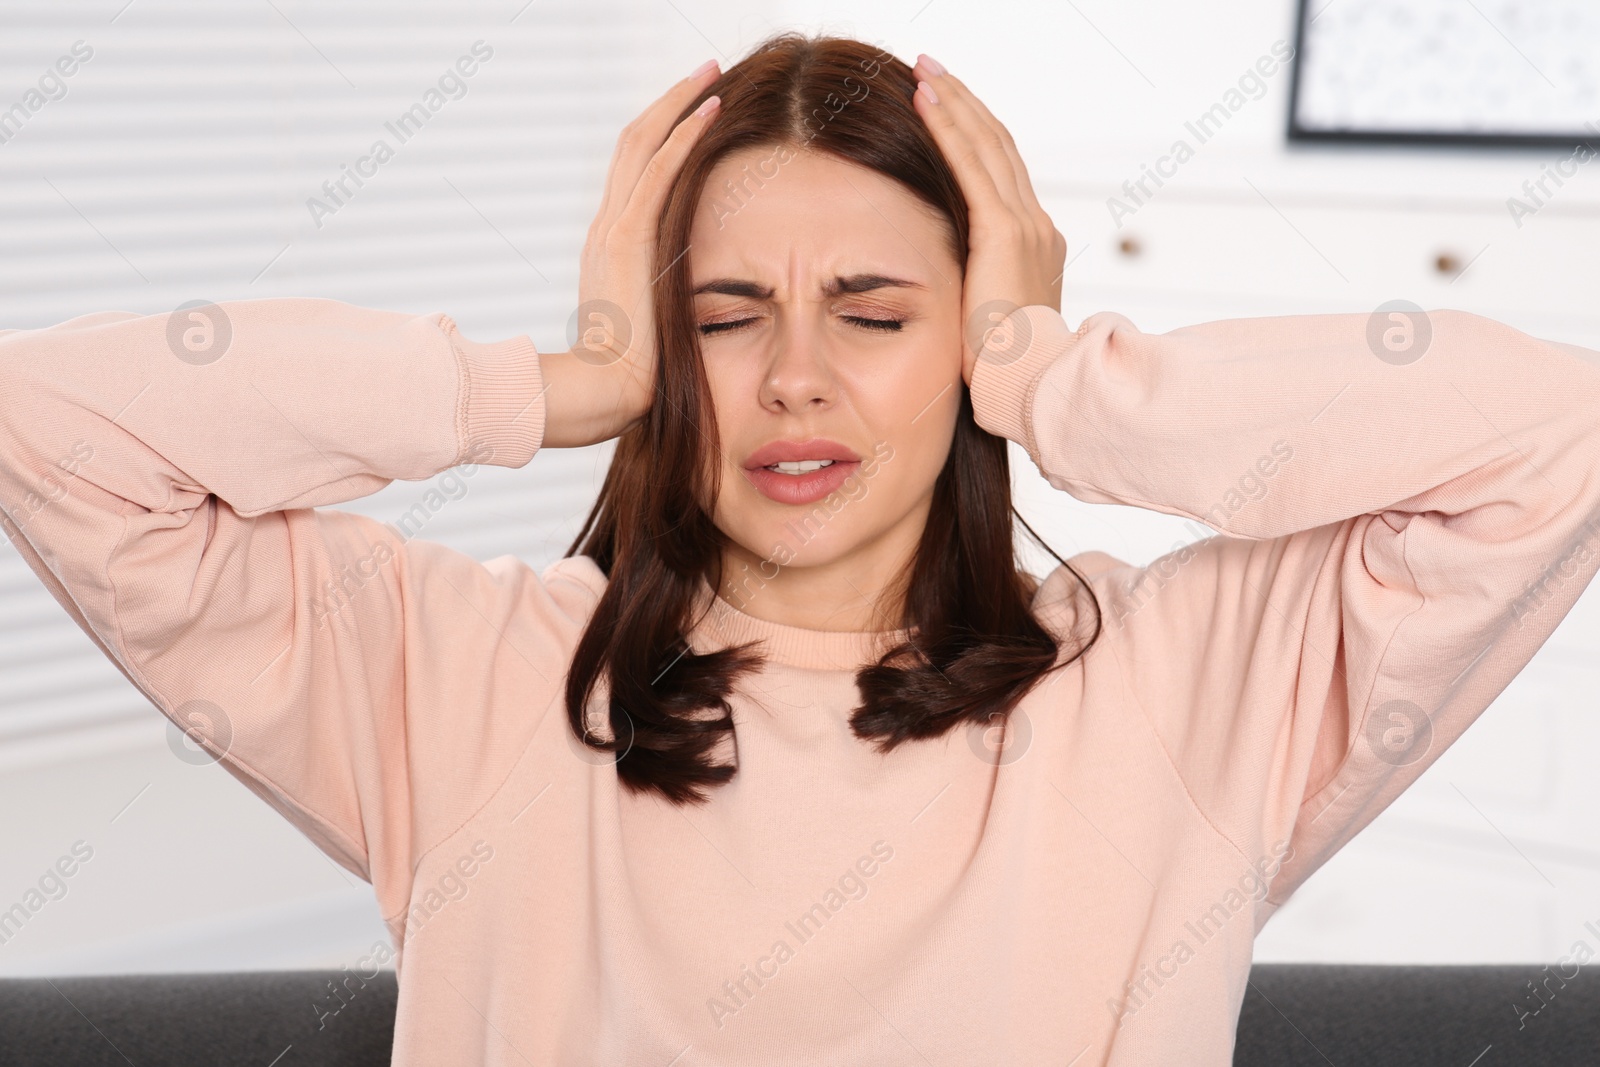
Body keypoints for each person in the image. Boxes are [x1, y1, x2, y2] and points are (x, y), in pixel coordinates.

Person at [2, 30, 1597, 1066]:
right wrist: (556, 385)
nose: (793, 380)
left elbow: (1554, 439)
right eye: (722, 314)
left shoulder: (1177, 689)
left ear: (968, 328)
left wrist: (1059, 380)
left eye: (879, 313)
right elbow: (47, 423)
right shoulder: (461, 674)